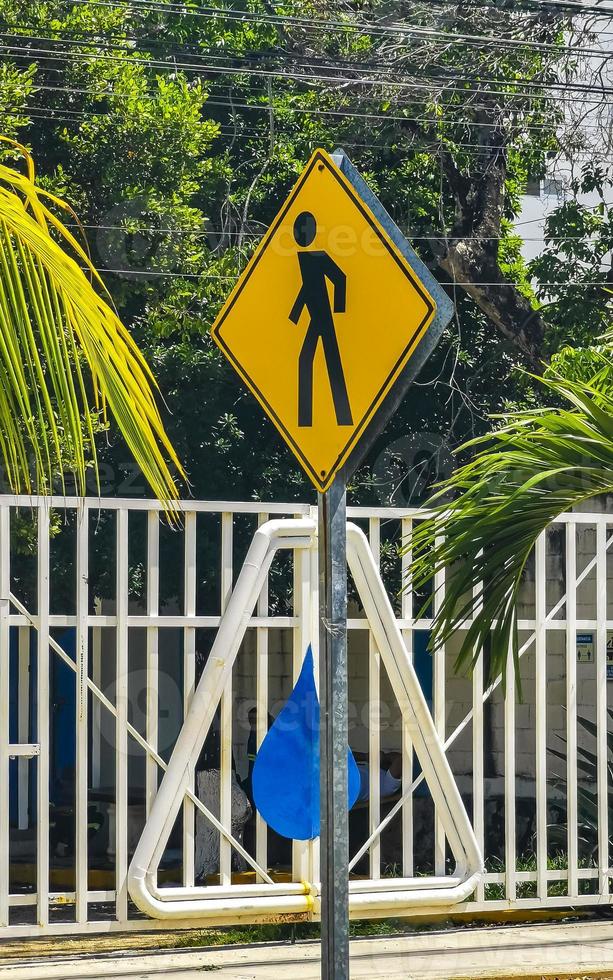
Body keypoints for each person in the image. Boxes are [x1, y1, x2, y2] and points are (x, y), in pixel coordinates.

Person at [289, 210, 352, 428]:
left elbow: (340, 279)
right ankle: (309, 419)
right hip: (315, 312)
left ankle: (340, 417)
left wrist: (338, 310)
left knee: (325, 360)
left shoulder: (320, 256)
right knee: (310, 360)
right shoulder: (303, 256)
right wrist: (295, 314)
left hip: (323, 314)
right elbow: (306, 287)